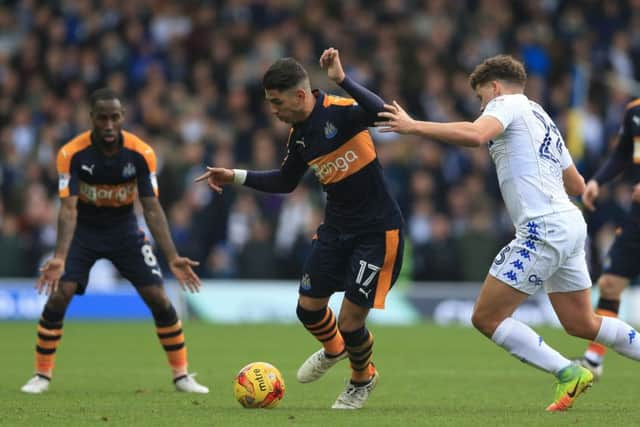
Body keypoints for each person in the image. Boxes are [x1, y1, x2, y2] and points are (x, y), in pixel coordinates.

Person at [376, 55, 640, 411]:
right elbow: (576, 183)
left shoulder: (507, 104)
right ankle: (574, 368)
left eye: (481, 98)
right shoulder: (543, 117)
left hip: (543, 227)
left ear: (495, 87)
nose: (482, 106)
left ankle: (568, 372)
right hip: (571, 223)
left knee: (486, 318)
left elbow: (475, 134)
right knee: (582, 322)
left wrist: (414, 127)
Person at [195, 48, 404, 409]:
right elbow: (285, 181)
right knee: (308, 308)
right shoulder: (300, 136)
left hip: (375, 231)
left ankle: (361, 377)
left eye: (277, 102)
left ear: (300, 95)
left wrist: (342, 79)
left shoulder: (340, 112)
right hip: (336, 229)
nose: (273, 110)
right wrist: (234, 176)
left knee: (351, 320)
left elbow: (380, 112)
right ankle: (333, 349)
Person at [20, 88, 208, 395]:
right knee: (60, 294)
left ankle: (182, 375)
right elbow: (68, 210)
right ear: (91, 118)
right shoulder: (72, 154)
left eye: (114, 117)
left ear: (122, 117)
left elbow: (151, 207)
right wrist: (60, 256)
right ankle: (42, 375)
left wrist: (172, 256)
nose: (108, 124)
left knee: (159, 298)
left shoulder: (141, 153)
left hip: (125, 230)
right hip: (84, 230)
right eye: (102, 118)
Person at [575, 97, 640, 379]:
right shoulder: (634, 112)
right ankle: (593, 359)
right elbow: (622, 154)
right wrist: (597, 181)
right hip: (638, 215)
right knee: (610, 284)